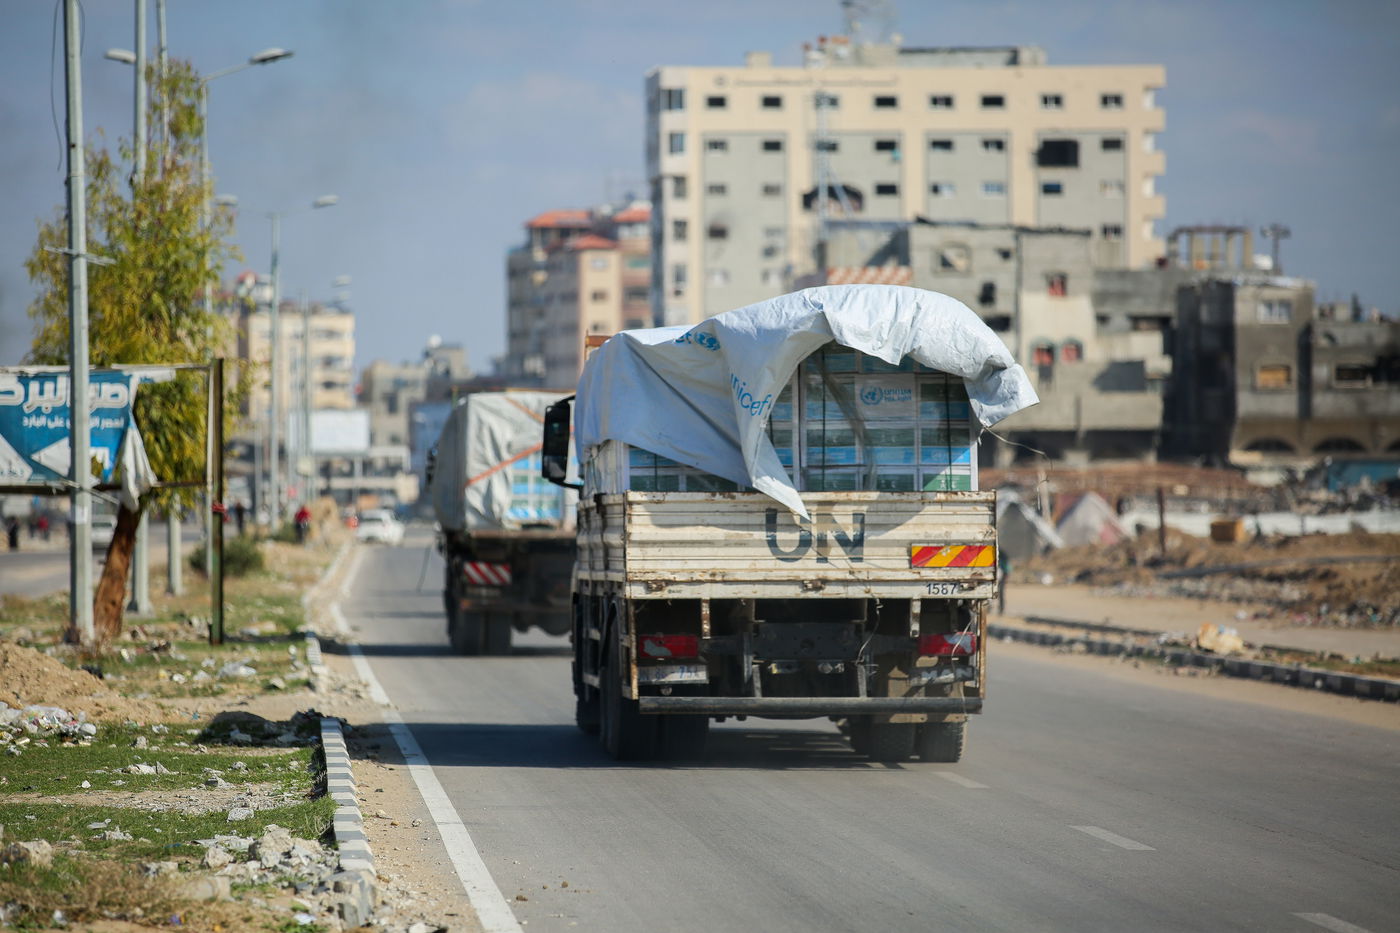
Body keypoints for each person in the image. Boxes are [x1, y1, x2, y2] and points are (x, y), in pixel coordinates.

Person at [997, 548, 1013, 615]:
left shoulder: (1002, 555)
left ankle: (1001, 609)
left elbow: (1007, 568)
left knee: (1000, 592)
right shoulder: (1001, 553)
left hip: (1002, 575)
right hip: (999, 575)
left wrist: (1006, 575)